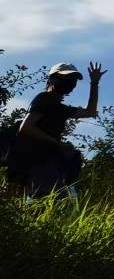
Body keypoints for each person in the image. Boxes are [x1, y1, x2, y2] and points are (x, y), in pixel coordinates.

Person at [6, 62, 104, 196]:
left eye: (72, 80)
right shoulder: (44, 99)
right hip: (36, 161)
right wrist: (57, 143)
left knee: (51, 199)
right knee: (50, 199)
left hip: (43, 161)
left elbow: (90, 112)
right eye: (65, 79)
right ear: (52, 79)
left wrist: (94, 83)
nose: (69, 83)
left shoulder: (59, 107)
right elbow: (26, 127)